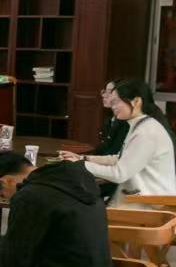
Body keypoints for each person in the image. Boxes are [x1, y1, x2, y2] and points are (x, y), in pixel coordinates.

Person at [60, 78, 176, 207]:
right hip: (139, 199)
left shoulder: (146, 132)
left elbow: (119, 174)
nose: (112, 105)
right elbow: (122, 158)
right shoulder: (142, 125)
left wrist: (81, 165)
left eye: (116, 101)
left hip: (150, 206)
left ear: (136, 101)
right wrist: (84, 158)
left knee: (73, 206)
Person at [87, 79, 128, 200]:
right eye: (104, 91)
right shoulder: (110, 121)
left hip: (115, 182)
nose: (104, 95)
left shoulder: (126, 124)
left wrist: (85, 162)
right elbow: (102, 151)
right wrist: (82, 159)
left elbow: (116, 157)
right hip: (105, 171)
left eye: (109, 92)